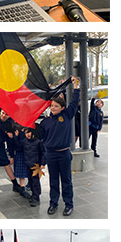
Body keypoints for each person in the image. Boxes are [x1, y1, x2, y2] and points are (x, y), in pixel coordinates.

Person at [40, 76, 80, 216]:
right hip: (51, 154)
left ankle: (69, 204)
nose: (53, 108)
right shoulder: (46, 122)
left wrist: (76, 88)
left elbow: (74, 102)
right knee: (53, 181)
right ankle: (53, 203)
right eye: (52, 106)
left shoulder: (67, 116)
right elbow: (41, 137)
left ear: (62, 108)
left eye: (56, 106)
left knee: (66, 180)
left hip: (64, 154)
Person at [13, 127, 46, 207]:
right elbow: (18, 146)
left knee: (35, 182)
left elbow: (43, 153)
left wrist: (43, 163)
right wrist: (16, 137)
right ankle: (33, 195)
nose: (28, 134)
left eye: (29, 132)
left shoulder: (38, 142)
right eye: (26, 133)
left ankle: (36, 197)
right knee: (31, 181)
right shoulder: (25, 141)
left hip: (36, 166)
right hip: (28, 164)